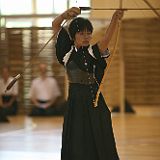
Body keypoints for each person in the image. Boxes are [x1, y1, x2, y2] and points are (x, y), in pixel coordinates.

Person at [52, 7, 124, 160]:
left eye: (88, 33)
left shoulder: (92, 51)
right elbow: (55, 24)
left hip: (93, 99)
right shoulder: (66, 53)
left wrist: (114, 20)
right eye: (81, 33)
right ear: (73, 36)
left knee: (98, 132)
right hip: (75, 100)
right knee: (77, 136)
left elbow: (106, 40)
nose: (86, 37)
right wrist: (65, 14)